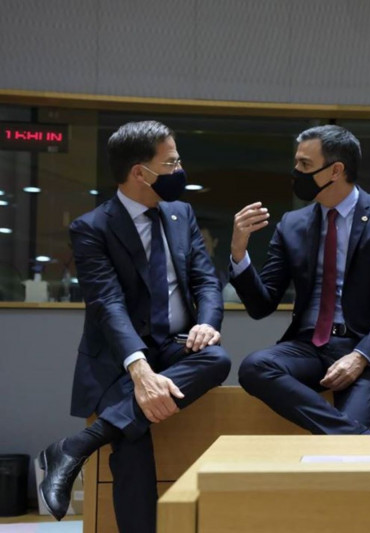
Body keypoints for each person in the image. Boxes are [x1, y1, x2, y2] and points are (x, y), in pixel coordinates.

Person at [37, 121, 231, 532]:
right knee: (132, 443)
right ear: (141, 172)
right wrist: (139, 368)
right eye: (172, 161)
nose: (180, 169)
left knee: (217, 358)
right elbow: (107, 303)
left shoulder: (181, 213)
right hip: (117, 355)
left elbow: (205, 280)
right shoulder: (93, 227)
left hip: (177, 347)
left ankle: (75, 447)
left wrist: (207, 323)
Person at [231, 125, 370, 434]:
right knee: (254, 367)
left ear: (336, 170)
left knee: (346, 446)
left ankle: (350, 437)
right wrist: (238, 252)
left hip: (368, 352)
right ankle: (356, 439)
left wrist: (361, 356)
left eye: (304, 164)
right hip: (308, 347)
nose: (296, 172)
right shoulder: (293, 224)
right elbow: (261, 305)